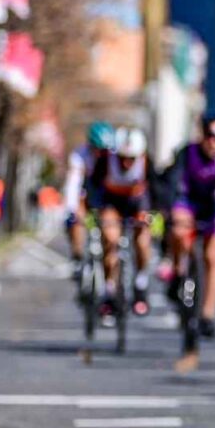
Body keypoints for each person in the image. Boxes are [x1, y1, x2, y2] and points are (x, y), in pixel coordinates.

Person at [167, 113, 215, 340]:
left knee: (212, 256)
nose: (213, 142)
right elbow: (173, 185)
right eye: (209, 136)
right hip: (189, 201)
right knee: (179, 230)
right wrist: (173, 213)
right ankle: (178, 271)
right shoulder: (187, 153)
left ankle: (207, 314)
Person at [87, 126, 155, 319]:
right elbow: (92, 186)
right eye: (123, 157)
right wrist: (94, 208)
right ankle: (109, 289)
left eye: (131, 158)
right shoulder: (105, 161)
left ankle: (140, 284)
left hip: (137, 203)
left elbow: (157, 189)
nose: (126, 162)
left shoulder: (145, 162)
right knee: (110, 238)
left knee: (142, 241)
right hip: (112, 203)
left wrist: (156, 213)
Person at [61, 123, 112, 266]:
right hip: (84, 193)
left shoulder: (112, 156)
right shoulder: (79, 156)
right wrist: (72, 208)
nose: (101, 153)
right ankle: (78, 255)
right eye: (98, 149)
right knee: (76, 220)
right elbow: (73, 183)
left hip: (104, 194)